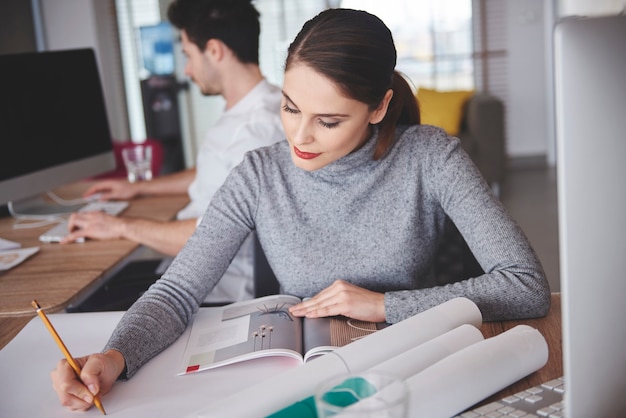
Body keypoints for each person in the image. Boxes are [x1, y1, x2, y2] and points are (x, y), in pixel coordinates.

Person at [51, 8, 550, 411]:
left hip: (410, 370)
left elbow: (525, 285)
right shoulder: (258, 173)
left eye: (328, 121)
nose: (299, 137)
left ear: (378, 108)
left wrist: (380, 305)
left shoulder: (431, 156)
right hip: (292, 381)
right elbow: (179, 291)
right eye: (290, 108)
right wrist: (116, 355)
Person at [60, 0, 284, 303]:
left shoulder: (256, 130)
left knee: (80, 300)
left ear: (215, 51)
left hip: (217, 289)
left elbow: (213, 238)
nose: (188, 69)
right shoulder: (254, 108)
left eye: (188, 54)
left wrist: (119, 225)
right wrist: (138, 189)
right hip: (191, 271)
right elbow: (219, 172)